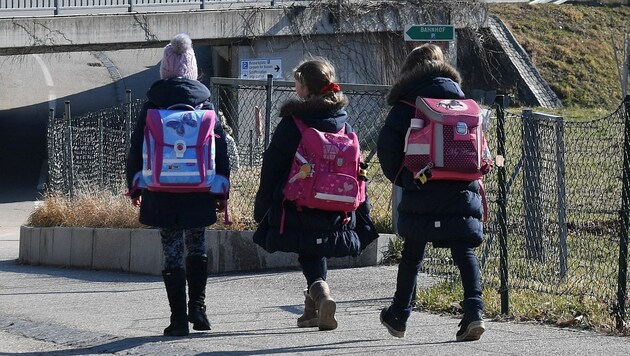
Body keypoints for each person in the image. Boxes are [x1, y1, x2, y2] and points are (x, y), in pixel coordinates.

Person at [252, 57, 378, 331]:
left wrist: (262, 206)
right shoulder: (344, 124)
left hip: (299, 202)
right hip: (338, 205)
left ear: (306, 89)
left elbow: (272, 166)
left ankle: (321, 294)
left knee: (308, 246)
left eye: (298, 82)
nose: (295, 87)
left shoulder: (293, 124)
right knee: (315, 246)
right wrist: (363, 213)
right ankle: (312, 309)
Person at [376, 44, 486, 341]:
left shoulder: (407, 103)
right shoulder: (463, 101)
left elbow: (386, 147)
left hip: (422, 184)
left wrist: (406, 179)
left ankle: (399, 314)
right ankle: (474, 312)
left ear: (410, 70)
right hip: (461, 186)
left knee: (412, 253)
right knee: (464, 250)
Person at [125, 33, 230, 337]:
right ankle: (199, 308)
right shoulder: (206, 105)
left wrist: (136, 187)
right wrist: (221, 189)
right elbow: (220, 152)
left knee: (172, 249)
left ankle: (178, 319)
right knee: (196, 244)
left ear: (165, 69)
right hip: (199, 189)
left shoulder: (151, 105)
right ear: (193, 70)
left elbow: (136, 149)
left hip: (161, 189)